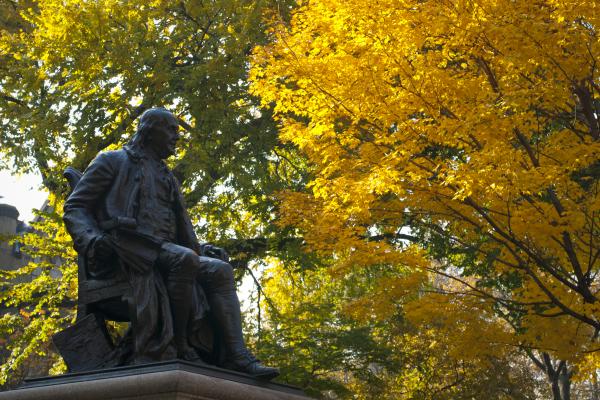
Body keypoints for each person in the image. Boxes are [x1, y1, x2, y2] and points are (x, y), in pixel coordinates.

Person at [63, 107, 278, 379]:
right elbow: (76, 207)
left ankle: (238, 357)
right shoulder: (112, 161)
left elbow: (183, 230)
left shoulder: (168, 176)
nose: (177, 137)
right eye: (171, 130)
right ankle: (178, 346)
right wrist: (94, 241)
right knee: (185, 259)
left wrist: (202, 250)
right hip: (125, 253)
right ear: (149, 130)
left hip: (165, 252)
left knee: (220, 269)